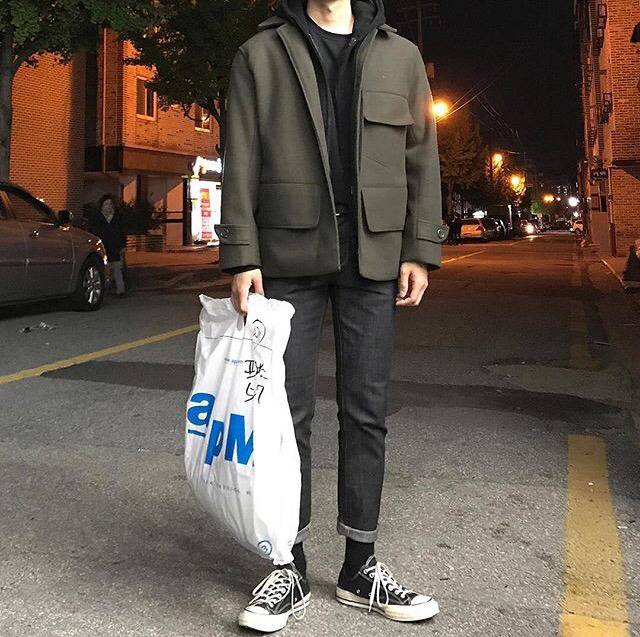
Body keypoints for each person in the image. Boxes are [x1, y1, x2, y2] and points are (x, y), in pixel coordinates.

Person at [214, 0, 448, 631]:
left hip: (374, 255)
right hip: (288, 256)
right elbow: (241, 156)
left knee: (366, 411)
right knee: (284, 419)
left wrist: (419, 249)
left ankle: (359, 567)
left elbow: (422, 156)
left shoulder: (401, 56)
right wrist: (242, 255)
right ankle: (286, 566)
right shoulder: (260, 53)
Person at [89, 194, 127, 296]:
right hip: (102, 247)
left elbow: (122, 232)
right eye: (106, 204)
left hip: (115, 247)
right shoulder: (98, 218)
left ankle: (120, 290)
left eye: (110, 204)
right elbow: (93, 232)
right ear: (102, 206)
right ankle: (104, 289)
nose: (109, 206)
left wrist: (123, 246)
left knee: (117, 269)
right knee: (103, 269)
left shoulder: (117, 218)